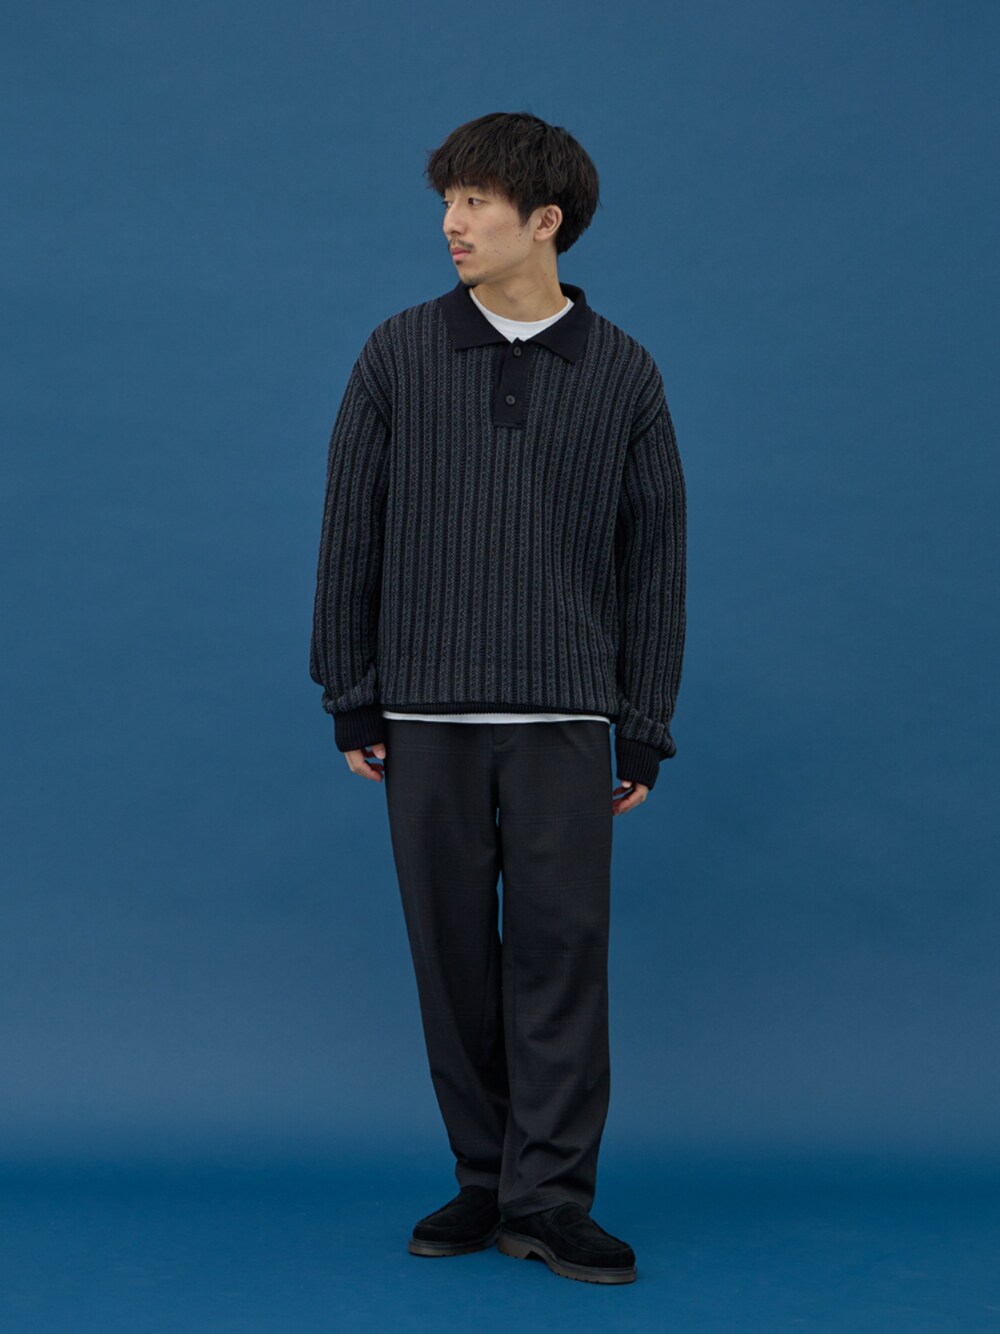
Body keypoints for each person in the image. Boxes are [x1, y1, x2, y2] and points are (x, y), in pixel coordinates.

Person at [309, 111, 686, 1285]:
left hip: (565, 719)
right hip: (423, 716)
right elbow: (350, 527)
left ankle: (551, 1199)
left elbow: (653, 561)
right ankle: (485, 1178)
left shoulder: (622, 371)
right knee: (453, 960)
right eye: (447, 200)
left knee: (561, 956)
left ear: (545, 220)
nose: (450, 222)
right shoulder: (396, 352)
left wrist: (643, 723)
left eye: (474, 200)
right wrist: (351, 694)